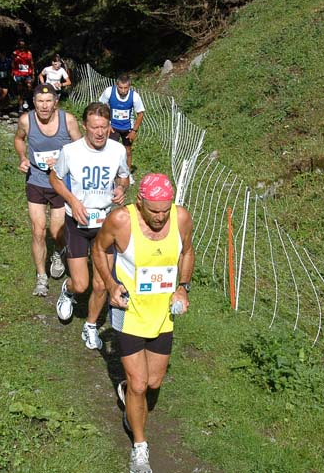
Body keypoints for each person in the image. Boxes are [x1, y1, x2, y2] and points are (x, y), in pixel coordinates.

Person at [91, 173, 194, 473]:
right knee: (139, 384)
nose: (160, 217)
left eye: (165, 210)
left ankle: (127, 390)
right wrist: (111, 284)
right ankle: (139, 446)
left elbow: (187, 252)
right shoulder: (121, 220)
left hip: (162, 314)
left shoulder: (181, 218)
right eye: (154, 211)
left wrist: (183, 287)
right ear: (140, 202)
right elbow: (98, 249)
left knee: (152, 382)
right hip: (130, 311)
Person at [49, 102, 130, 342]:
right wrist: (72, 201)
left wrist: (120, 189)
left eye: (104, 127)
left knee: (103, 283)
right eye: (95, 127)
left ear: (110, 127)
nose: (100, 132)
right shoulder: (71, 151)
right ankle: (68, 290)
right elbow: (55, 179)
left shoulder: (117, 150)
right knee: (82, 284)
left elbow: (124, 177)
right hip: (77, 223)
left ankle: (91, 325)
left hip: (105, 224)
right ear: (85, 126)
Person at [14, 83, 82, 296]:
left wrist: (62, 160)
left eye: (48, 101)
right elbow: (19, 139)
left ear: (55, 103)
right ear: (34, 102)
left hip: (60, 183)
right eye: (40, 101)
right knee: (38, 230)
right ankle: (41, 277)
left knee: (56, 231)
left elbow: (81, 148)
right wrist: (23, 158)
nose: (44, 106)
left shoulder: (68, 120)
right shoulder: (26, 121)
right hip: (36, 180)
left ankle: (59, 252)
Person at [99, 74, 145, 181]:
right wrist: (107, 123)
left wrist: (134, 131)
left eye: (126, 88)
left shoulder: (135, 96)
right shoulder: (109, 92)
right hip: (113, 126)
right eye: (120, 88)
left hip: (127, 127)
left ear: (130, 86)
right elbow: (101, 106)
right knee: (109, 149)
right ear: (116, 85)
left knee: (127, 151)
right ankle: (109, 173)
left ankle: (127, 174)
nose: (123, 91)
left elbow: (140, 114)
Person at [12, 39, 35, 113]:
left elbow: (31, 63)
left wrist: (33, 73)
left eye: (23, 46)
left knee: (29, 87)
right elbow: (12, 64)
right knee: (20, 90)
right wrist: (12, 73)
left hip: (27, 73)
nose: (22, 47)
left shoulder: (29, 53)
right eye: (20, 46)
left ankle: (26, 100)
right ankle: (20, 106)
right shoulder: (15, 53)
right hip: (18, 73)